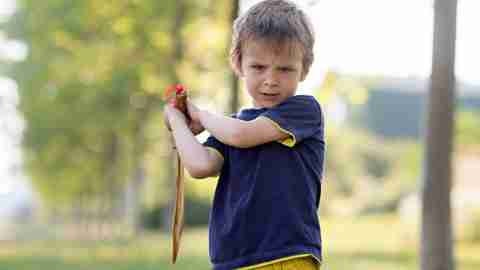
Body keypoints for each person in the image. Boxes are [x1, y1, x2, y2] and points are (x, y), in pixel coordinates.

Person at [164, 0, 324, 269]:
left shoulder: (303, 111)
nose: (271, 79)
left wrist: (202, 116)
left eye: (284, 69)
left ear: (305, 68)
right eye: (258, 67)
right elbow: (201, 165)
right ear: (237, 63)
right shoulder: (229, 126)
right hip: (233, 260)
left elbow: (242, 135)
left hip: (285, 256)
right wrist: (177, 120)